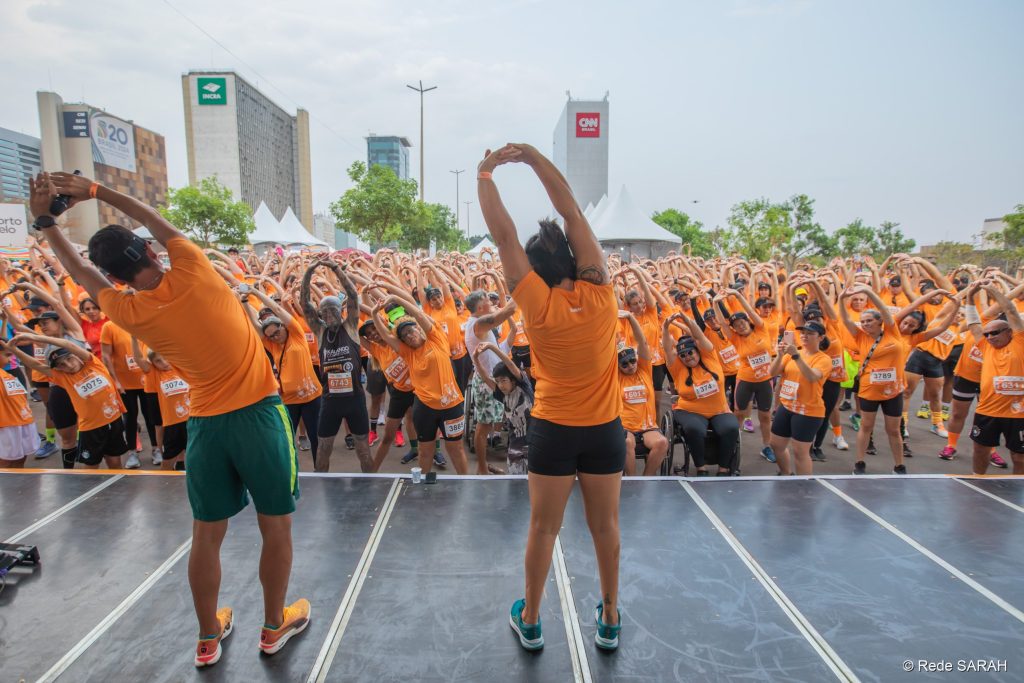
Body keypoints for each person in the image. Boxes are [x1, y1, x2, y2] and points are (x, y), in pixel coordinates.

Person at [32, 171, 307, 668]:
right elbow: (148, 216)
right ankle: (273, 626)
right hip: (258, 419)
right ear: (151, 253)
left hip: (205, 427)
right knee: (277, 527)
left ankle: (207, 638)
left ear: (115, 279)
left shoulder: (126, 310)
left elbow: (78, 273)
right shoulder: (194, 269)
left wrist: (45, 221)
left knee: (206, 534)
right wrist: (91, 190)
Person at [479, 143, 623, 652]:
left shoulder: (536, 304)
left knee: (543, 529)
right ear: (576, 260)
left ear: (535, 272)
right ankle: (608, 617)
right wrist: (536, 159)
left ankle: (533, 619)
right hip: (605, 430)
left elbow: (503, 235)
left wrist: (486, 173)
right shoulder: (601, 292)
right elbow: (571, 210)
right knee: (605, 527)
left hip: (554, 430)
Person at [368, 291, 470, 475]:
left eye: (410, 331)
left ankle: (466, 483)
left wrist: (395, 298)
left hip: (451, 405)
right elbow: (386, 335)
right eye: (404, 336)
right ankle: (424, 486)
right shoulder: (408, 353)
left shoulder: (436, 339)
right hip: (425, 409)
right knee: (425, 451)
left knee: (456, 449)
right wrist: (375, 313)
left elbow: (419, 314)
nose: (409, 336)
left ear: (418, 328)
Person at [9, 331, 127, 469]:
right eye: (61, 365)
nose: (68, 365)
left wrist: (33, 337)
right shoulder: (63, 378)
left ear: (76, 355)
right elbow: (36, 365)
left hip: (114, 421)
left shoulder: (93, 363)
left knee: (114, 461)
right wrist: (13, 349)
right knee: (92, 466)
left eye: (69, 359)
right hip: (91, 429)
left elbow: (67, 344)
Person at [299, 260, 372, 472]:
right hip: (330, 401)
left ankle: (370, 485)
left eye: (333, 310)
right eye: (325, 312)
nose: (330, 315)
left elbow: (352, 295)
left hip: (355, 400)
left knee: (363, 448)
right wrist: (309, 271)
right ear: (320, 315)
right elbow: (304, 304)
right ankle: (323, 484)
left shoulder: (350, 326)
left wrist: (336, 269)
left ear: (341, 311)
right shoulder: (320, 332)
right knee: (323, 448)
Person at [244, 286, 323, 469]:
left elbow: (278, 309)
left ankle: (320, 471)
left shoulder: (296, 335)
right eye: (270, 336)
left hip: (312, 398)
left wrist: (256, 293)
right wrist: (244, 302)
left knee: (316, 438)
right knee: (286, 440)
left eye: (277, 332)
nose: (275, 337)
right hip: (289, 401)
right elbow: (257, 327)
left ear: (283, 326)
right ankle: (289, 473)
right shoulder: (273, 345)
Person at [663, 313, 739, 476]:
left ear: (698, 351)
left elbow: (698, 334)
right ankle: (701, 467)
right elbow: (667, 348)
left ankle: (724, 468)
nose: (687, 357)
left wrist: (685, 319)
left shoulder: (709, 356)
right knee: (693, 429)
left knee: (731, 427)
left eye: (690, 353)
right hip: (690, 411)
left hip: (719, 410)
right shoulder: (677, 368)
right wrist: (665, 327)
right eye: (683, 355)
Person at [713, 288, 776, 463]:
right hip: (746, 380)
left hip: (765, 380)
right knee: (738, 414)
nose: (740, 326)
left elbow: (750, 310)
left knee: (765, 416)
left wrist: (738, 295)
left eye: (742, 322)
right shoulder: (735, 339)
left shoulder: (761, 329)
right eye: (736, 325)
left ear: (747, 321)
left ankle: (767, 446)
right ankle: (731, 445)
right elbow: (723, 324)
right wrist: (714, 303)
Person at [968, 281, 1024, 474]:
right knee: (980, 450)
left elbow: (1010, 310)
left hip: (1018, 414)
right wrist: (969, 297)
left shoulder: (1019, 342)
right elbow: (973, 324)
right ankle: (977, 480)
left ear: (1009, 332)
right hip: (987, 411)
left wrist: (992, 290)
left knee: (1019, 456)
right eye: (987, 334)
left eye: (995, 332)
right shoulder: (986, 346)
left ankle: (1018, 489)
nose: (990, 336)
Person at [463, 288, 517, 474]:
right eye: (487, 299)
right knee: (483, 427)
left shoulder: (481, 325)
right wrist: (523, 286)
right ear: (479, 307)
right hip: (487, 383)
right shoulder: (478, 324)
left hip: (493, 379)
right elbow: (508, 310)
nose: (491, 301)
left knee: (488, 424)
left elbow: (495, 349)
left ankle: (483, 465)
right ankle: (481, 467)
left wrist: (510, 337)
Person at [767, 323, 833, 475]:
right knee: (776, 444)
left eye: (810, 333)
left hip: (808, 411)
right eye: (803, 333)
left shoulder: (824, 359)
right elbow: (772, 372)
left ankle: (804, 486)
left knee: (800, 452)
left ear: (821, 337)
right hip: (787, 406)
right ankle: (786, 474)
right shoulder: (792, 353)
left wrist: (796, 355)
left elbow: (812, 376)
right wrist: (780, 355)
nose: (804, 336)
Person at [616, 311, 668, 476]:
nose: (630, 366)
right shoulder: (614, 377)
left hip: (647, 427)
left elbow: (643, 342)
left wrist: (631, 318)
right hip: (625, 427)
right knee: (625, 442)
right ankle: (632, 481)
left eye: (632, 361)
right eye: (624, 364)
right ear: (618, 367)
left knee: (662, 442)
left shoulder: (644, 369)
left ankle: (647, 478)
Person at [471, 341, 533, 474]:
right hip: (515, 444)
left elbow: (510, 364)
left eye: (503, 380)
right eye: (497, 381)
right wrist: (475, 358)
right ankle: (502, 474)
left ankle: (500, 473)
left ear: (513, 380)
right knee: (514, 482)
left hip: (533, 443)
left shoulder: (524, 387)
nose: (500, 385)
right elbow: (485, 377)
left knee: (532, 482)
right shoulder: (502, 395)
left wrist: (492, 347)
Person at [131, 338, 189, 471]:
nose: (164, 363)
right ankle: (165, 479)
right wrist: (134, 338)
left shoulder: (181, 367)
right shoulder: (155, 374)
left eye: (165, 358)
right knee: (167, 462)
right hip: (172, 424)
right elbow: (139, 358)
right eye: (158, 361)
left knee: (199, 458)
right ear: (152, 363)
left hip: (191, 421)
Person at [0, 342, 36, 468]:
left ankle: (18, 485)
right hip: (6, 426)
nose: (11, 359)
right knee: (5, 463)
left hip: (22, 422)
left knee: (20, 459)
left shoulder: (7, 374)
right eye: (7, 355)